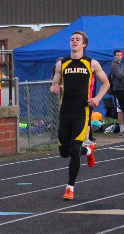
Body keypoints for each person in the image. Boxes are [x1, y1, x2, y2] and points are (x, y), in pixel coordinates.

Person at [50, 31, 110, 200]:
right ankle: (89, 151)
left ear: (84, 44)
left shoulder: (91, 63)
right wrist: (54, 89)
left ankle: (70, 188)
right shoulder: (62, 64)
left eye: (77, 39)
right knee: (64, 152)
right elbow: (55, 84)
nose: (74, 41)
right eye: (72, 39)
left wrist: (97, 99)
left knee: (75, 149)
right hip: (65, 110)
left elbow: (106, 83)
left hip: (82, 110)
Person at [110, 50, 124, 138]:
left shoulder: (121, 65)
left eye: (120, 55)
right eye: (117, 55)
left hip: (123, 89)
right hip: (117, 89)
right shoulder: (114, 66)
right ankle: (122, 130)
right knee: (120, 110)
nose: (119, 57)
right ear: (114, 56)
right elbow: (120, 75)